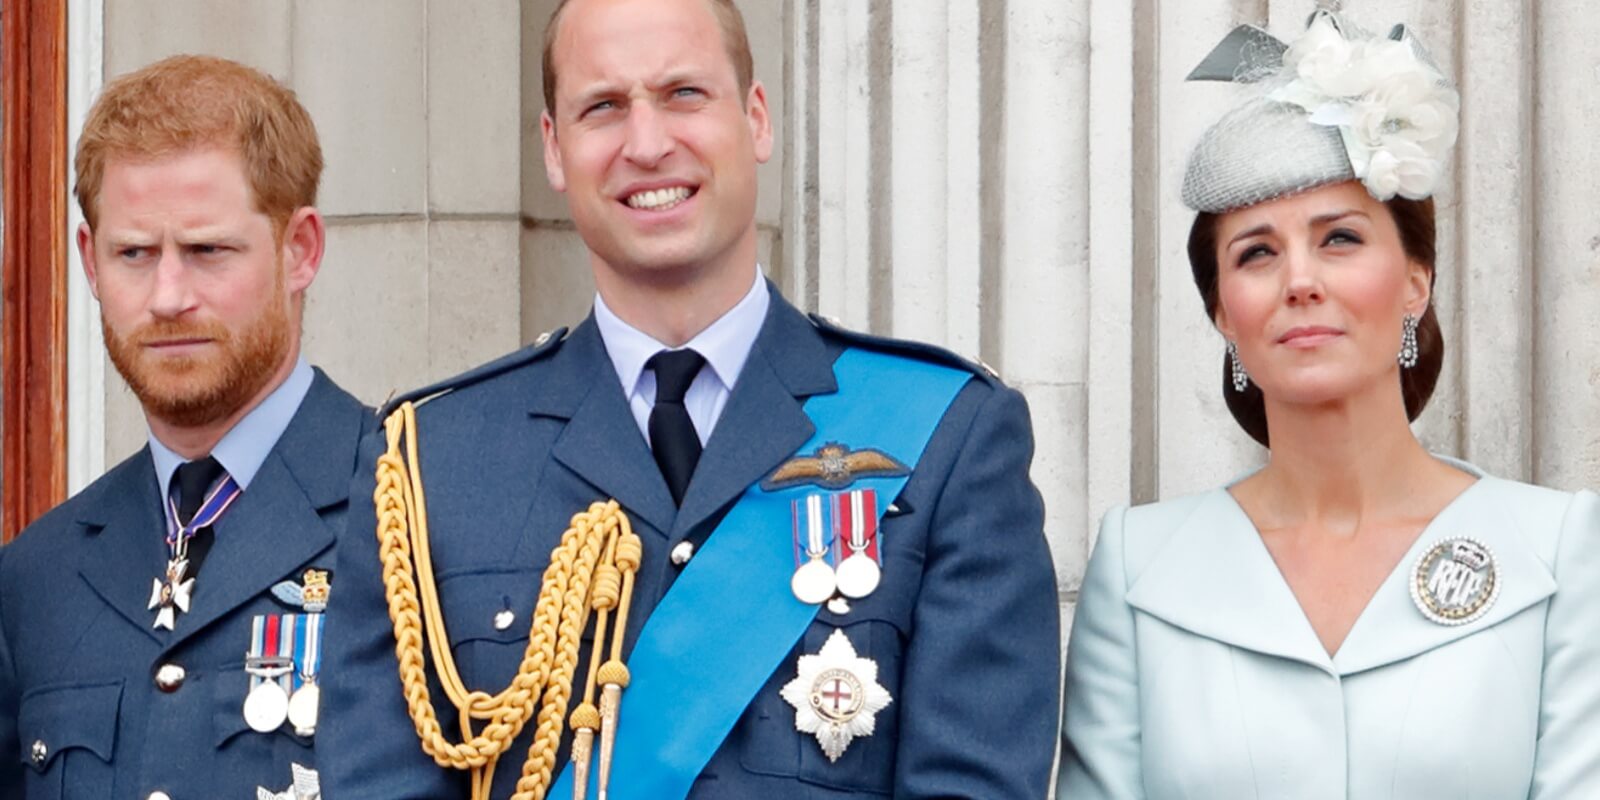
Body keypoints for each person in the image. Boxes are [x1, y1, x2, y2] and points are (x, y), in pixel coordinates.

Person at [317, 0, 1060, 797]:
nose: (646, 143)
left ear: (757, 119)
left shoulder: (948, 436)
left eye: (683, 95)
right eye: (603, 107)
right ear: (555, 150)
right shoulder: (431, 461)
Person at [1059, 11, 1600, 799]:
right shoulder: (1139, 565)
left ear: (1417, 281)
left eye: (1340, 238)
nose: (1300, 280)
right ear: (1223, 314)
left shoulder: (1556, 549)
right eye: (1256, 253)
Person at [0, 55, 369, 799]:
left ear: (300, 250)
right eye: (133, 253)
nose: (167, 296)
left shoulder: (412, 518)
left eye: (206, 251)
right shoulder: (35, 578)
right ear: (90, 263)